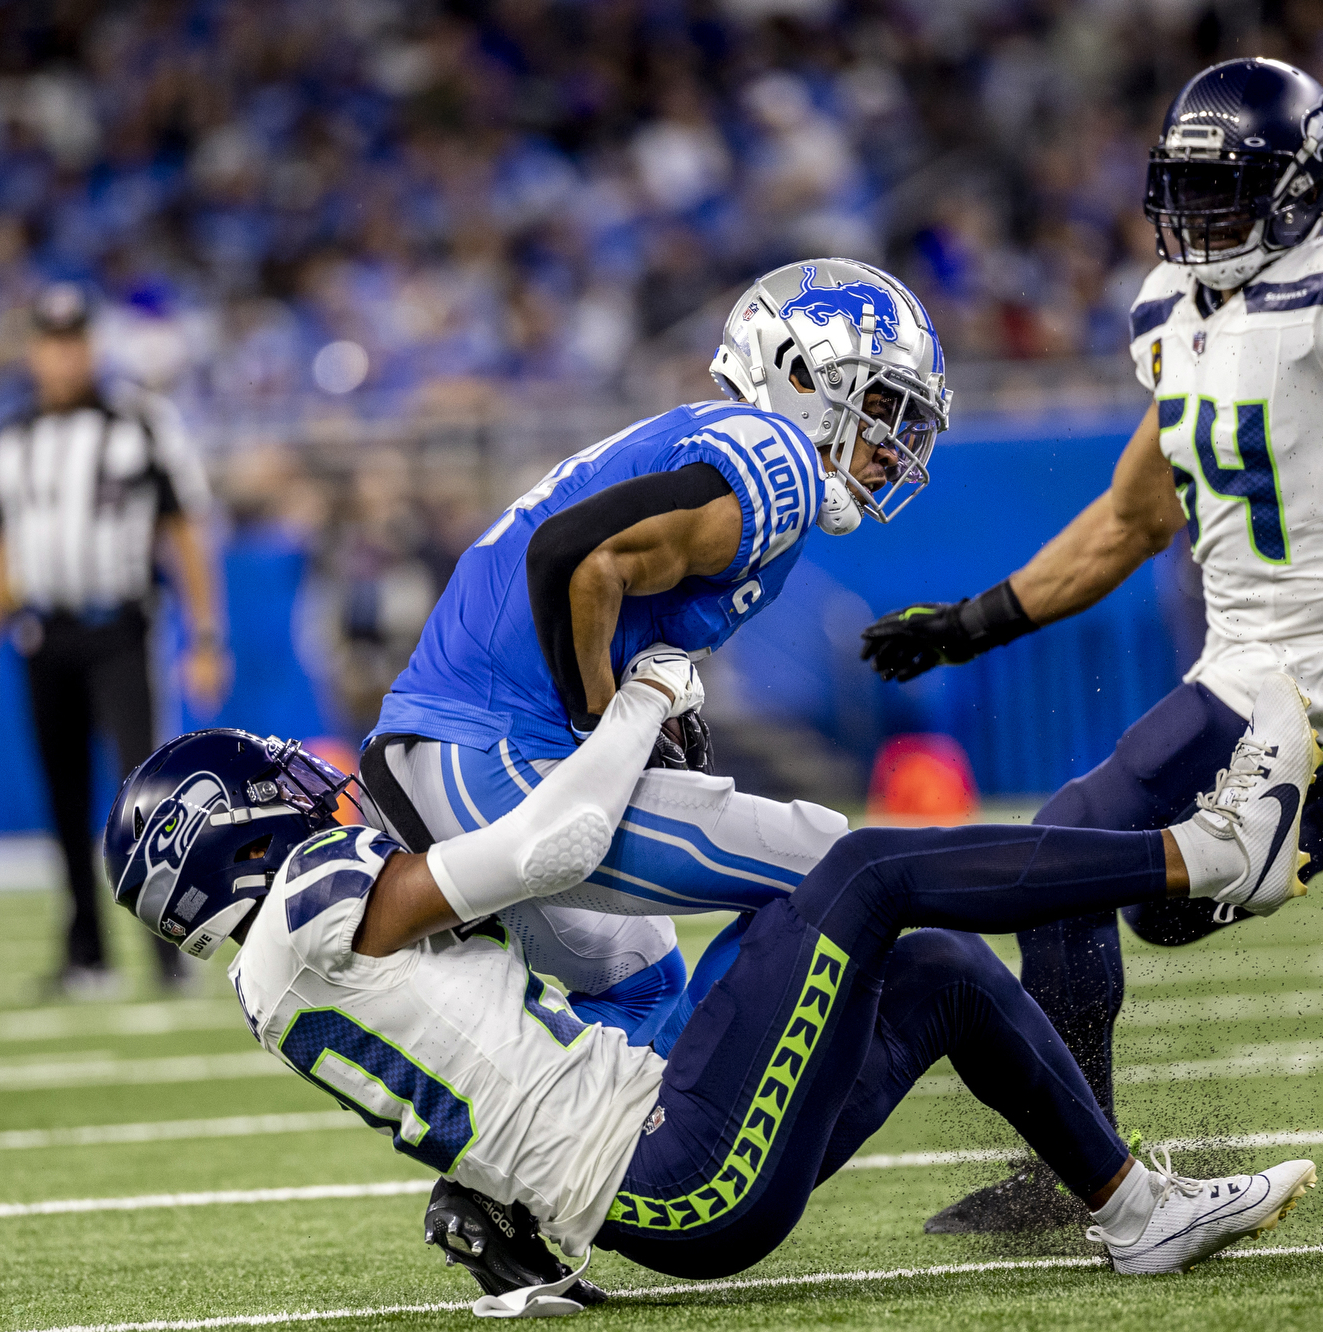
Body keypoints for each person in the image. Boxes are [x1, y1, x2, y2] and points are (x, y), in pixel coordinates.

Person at [855, 30, 1323, 1232]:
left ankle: (1077, 1175)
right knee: (1160, 906)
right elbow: (1130, 517)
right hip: (1246, 664)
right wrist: (969, 625)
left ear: (1292, 190)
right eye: (1180, 190)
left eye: (1219, 190)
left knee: (1069, 840)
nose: (1192, 217)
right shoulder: (1173, 309)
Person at [104, 662, 1323, 1304]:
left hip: (664, 1163)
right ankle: (1199, 855)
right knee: (861, 873)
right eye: (276, 788)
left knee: (939, 969)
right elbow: (549, 849)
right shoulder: (313, 905)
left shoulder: (280, 977)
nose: (308, 789)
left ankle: (1133, 1212)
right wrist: (633, 707)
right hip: (676, 1169)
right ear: (233, 840)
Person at [354, 257, 947, 1052]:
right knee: (845, 866)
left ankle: (514, 1175)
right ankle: (710, 1133)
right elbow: (574, 557)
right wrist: (608, 724)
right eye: (880, 406)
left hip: (443, 752)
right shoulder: (777, 461)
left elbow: (585, 570)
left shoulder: (706, 442)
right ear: (800, 374)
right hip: (496, 760)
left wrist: (645, 700)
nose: (891, 445)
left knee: (646, 992)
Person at [0, 282, 228, 997]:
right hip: (44, 634)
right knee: (64, 798)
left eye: (74, 341)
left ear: (92, 346)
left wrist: (204, 634)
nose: (63, 356)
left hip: (118, 630)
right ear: (34, 350)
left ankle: (165, 954)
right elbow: (0, 552)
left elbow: (183, 531)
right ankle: (87, 956)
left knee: (144, 796)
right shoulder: (12, 440)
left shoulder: (140, 423)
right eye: (51, 342)